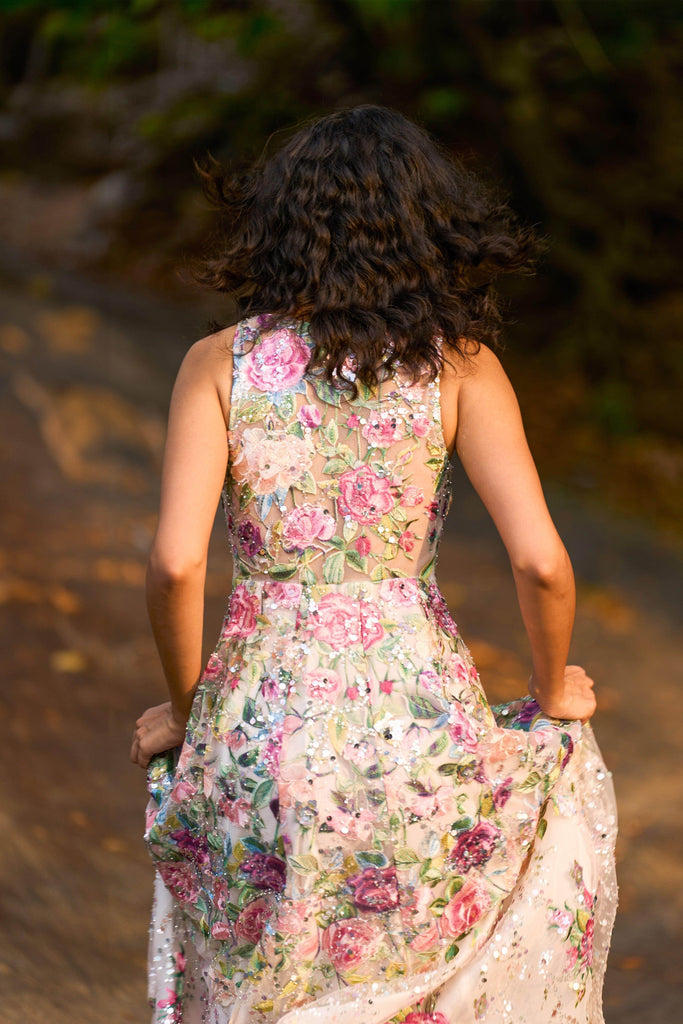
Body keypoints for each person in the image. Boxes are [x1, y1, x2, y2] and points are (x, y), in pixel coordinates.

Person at [130, 105, 617, 1024]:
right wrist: (552, 690)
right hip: (417, 725)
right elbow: (542, 563)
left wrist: (193, 715)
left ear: (278, 226)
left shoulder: (218, 365)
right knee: (406, 983)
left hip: (259, 720)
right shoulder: (460, 368)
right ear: (430, 229)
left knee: (267, 980)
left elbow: (175, 565)